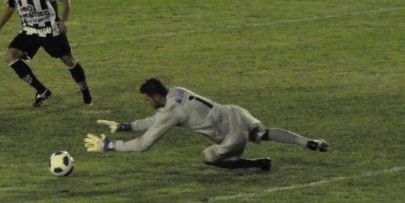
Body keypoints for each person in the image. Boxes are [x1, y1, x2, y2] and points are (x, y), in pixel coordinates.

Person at [84, 78, 330, 171]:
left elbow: (144, 144)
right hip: (236, 113)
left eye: (148, 99)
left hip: (231, 137)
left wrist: (110, 146)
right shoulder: (177, 92)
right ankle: (308, 142)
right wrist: (126, 126)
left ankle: (256, 163)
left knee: (206, 158)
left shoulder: (170, 112)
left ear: (157, 97)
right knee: (265, 133)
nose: (148, 103)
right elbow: (155, 120)